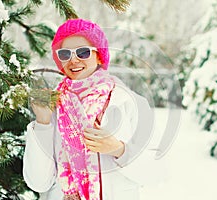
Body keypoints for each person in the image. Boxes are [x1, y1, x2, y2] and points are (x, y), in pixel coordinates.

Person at [23, 18, 155, 200]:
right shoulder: (53, 105)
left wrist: (118, 149)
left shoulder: (129, 102)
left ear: (99, 56)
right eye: (65, 54)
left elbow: (153, 173)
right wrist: (43, 122)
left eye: (83, 52)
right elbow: (38, 182)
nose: (73, 60)